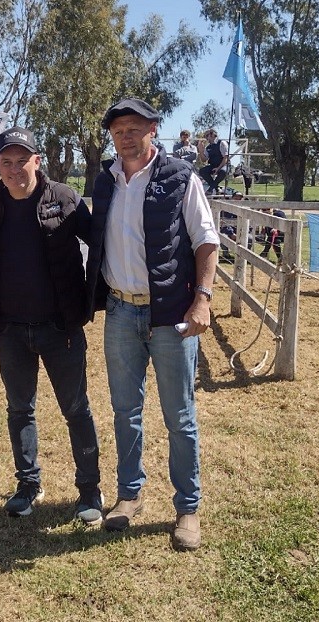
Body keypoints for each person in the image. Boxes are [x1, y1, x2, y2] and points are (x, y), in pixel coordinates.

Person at [85, 97, 219, 552]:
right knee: (126, 411)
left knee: (179, 416)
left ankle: (188, 508)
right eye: (119, 128)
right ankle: (129, 495)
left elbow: (206, 241)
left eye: (135, 127)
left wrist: (201, 300)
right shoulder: (104, 182)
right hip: (121, 311)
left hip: (170, 315)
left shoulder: (182, 178)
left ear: (153, 130)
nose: (126, 134)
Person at [0, 127, 103, 524]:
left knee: (76, 409)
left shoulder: (63, 198)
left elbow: (101, 243)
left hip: (60, 329)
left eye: (22, 160)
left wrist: (93, 300)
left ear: (37, 161)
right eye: (6, 162)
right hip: (11, 330)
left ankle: (89, 491)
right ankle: (28, 485)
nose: (15, 170)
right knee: (19, 410)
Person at [198, 128, 230, 194]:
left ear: (212, 135)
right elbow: (204, 160)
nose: (206, 138)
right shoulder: (208, 147)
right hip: (213, 165)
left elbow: (225, 158)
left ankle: (211, 189)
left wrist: (218, 168)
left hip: (223, 165)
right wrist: (201, 151)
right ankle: (216, 187)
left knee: (223, 172)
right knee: (202, 171)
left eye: (207, 135)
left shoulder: (222, 143)